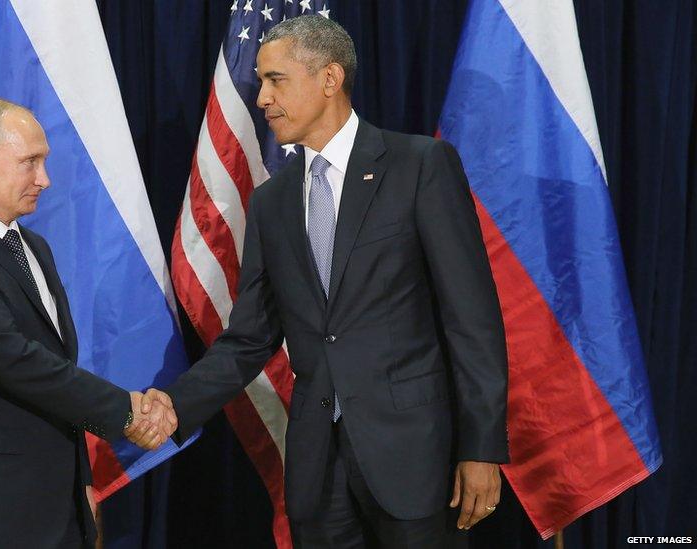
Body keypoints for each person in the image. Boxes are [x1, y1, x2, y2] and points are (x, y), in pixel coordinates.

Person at [145, 15, 508, 548]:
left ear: (330, 79)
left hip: (413, 459)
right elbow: (250, 337)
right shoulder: (272, 201)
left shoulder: (419, 166)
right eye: (261, 83)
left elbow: (471, 319)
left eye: (275, 80)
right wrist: (176, 405)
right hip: (319, 471)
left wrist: (481, 448)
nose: (263, 98)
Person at [0, 98, 175, 548]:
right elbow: (15, 361)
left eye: (44, 161)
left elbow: (54, 364)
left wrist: (79, 481)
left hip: (53, 506)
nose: (45, 179)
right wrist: (126, 411)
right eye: (29, 162)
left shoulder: (33, 245)